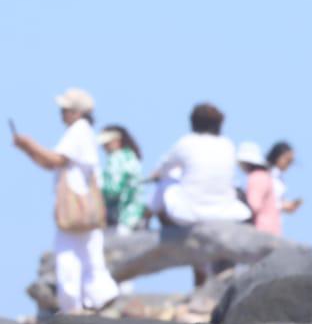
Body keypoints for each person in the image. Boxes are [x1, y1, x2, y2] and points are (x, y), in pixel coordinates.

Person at [12, 88, 119, 313]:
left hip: (76, 207)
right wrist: (27, 149)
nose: (61, 113)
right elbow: (53, 163)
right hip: (84, 208)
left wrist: (29, 144)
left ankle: (75, 305)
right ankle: (96, 300)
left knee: (69, 257)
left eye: (65, 109)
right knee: (89, 256)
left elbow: (55, 159)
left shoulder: (78, 131)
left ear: (76, 112)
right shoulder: (83, 131)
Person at [149, 103, 251, 286]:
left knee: (167, 183)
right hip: (225, 211)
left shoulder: (186, 142)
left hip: (190, 212)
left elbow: (165, 167)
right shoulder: (227, 144)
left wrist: (156, 176)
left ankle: (149, 221)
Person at [97, 125, 146, 233]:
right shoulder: (132, 157)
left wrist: (95, 192)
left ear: (117, 140)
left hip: (123, 218)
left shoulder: (116, 158)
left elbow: (113, 190)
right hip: (138, 215)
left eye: (107, 143)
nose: (104, 147)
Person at [238, 141, 282, 236]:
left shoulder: (256, 177)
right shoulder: (265, 176)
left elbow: (254, 205)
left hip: (262, 230)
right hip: (272, 229)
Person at [266, 141, 303, 218]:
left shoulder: (279, 178)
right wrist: (283, 206)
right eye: (287, 159)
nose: (289, 164)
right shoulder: (266, 174)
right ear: (277, 156)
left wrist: (288, 205)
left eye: (291, 161)